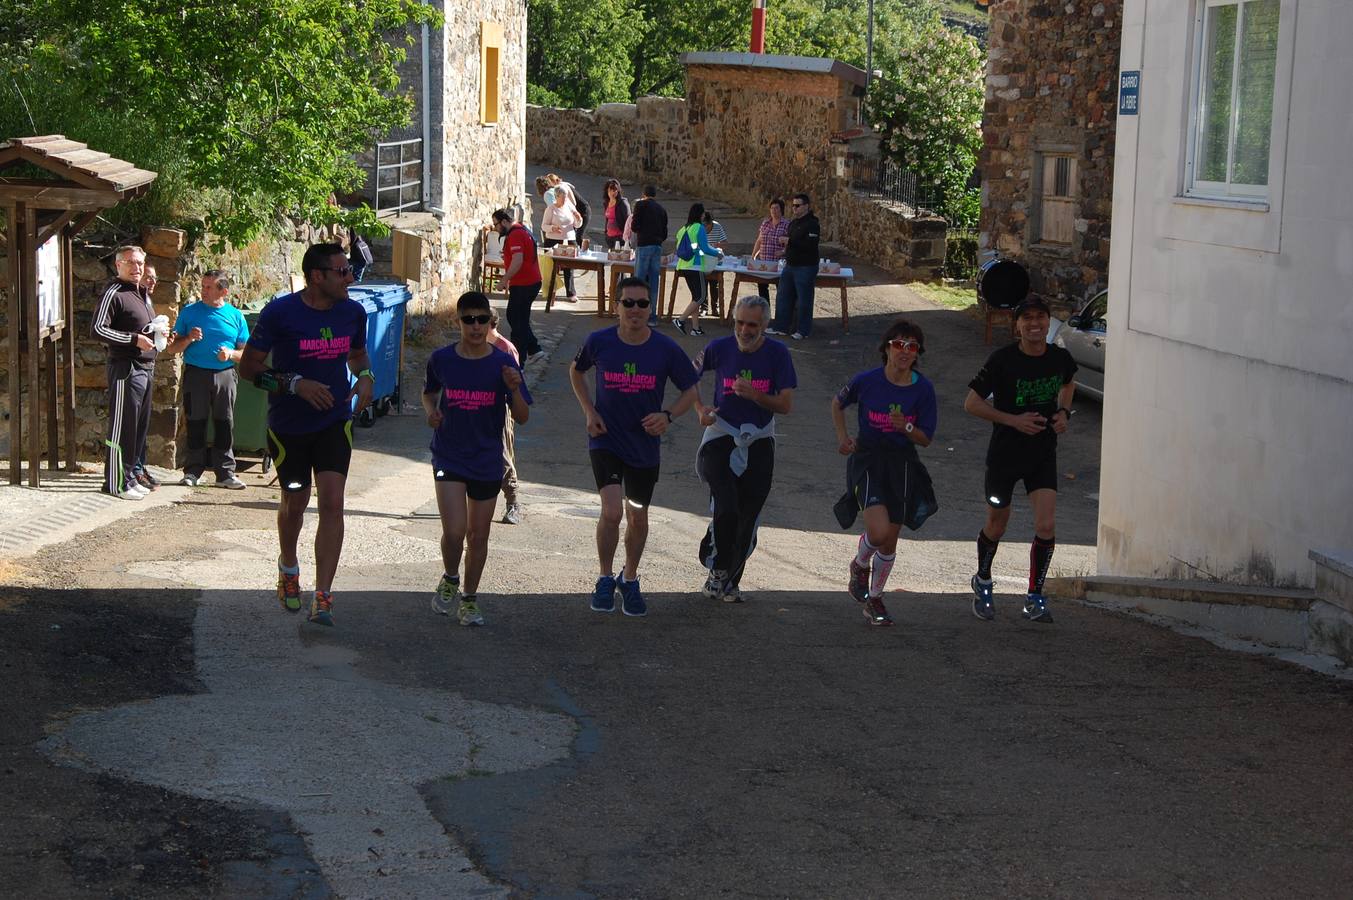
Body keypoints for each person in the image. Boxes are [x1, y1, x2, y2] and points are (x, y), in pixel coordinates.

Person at [238, 243, 375, 627]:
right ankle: (288, 566)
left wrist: (365, 376)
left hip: (334, 420)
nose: (351, 278)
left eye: (350, 270)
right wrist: (294, 383)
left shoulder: (353, 312)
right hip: (288, 426)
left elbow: (358, 355)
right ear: (318, 276)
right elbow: (248, 370)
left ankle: (324, 595)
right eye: (343, 271)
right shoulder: (280, 313)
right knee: (295, 502)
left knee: (332, 502)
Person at [569, 275, 700, 617]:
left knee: (637, 515)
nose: (636, 310)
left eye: (643, 303)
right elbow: (576, 371)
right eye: (628, 303)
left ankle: (629, 578)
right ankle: (603, 577)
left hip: (644, 446)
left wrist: (668, 416)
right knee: (612, 511)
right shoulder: (599, 341)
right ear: (617, 307)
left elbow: (691, 390)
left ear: (650, 308)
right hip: (605, 439)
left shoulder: (666, 349)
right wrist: (589, 411)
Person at [964, 295, 1077, 624]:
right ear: (1017, 326)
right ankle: (983, 580)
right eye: (1026, 318)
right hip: (1005, 454)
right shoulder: (1002, 360)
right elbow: (971, 403)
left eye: (1040, 317)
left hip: (1042, 452)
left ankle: (1035, 596)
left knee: (1046, 525)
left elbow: (1068, 384)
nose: (1034, 324)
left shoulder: (1060, 358)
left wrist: (1063, 413)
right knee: (997, 524)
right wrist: (1013, 420)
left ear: (1047, 322)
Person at [423, 291, 531, 627]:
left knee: (478, 535)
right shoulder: (442, 359)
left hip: (486, 458)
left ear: (490, 322)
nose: (475, 326)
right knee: (455, 532)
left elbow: (523, 416)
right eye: (468, 319)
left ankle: (469, 598)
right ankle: (451, 576)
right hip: (450, 454)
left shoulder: (503, 363)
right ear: (458, 321)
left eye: (481, 319)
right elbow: (429, 393)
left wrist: (513, 389)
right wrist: (432, 413)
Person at [831, 319, 939, 626]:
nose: (904, 352)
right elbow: (837, 404)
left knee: (890, 539)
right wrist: (843, 438)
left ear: (917, 353)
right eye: (898, 345)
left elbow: (926, 438)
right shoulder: (867, 380)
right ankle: (860, 563)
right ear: (886, 349)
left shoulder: (923, 389)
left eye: (912, 346)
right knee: (877, 533)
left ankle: (874, 599)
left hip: (902, 463)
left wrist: (905, 426)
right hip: (867, 459)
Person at [692, 295, 796, 602]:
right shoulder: (718, 348)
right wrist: (700, 410)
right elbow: (688, 376)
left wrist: (756, 396)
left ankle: (732, 579)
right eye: (739, 323)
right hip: (721, 433)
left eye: (752, 324)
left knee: (748, 514)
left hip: (760, 437)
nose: (744, 330)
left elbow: (786, 405)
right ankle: (718, 568)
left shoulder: (778, 354)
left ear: (764, 325)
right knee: (726, 504)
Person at [165, 270, 250, 489]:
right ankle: (193, 472)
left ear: (224, 291)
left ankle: (225, 474)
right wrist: (189, 338)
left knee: (224, 423)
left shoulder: (236, 316)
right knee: (195, 422)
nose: (203, 291)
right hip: (196, 373)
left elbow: (247, 353)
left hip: (225, 375)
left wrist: (230, 354)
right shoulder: (189, 313)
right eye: (203, 286)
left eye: (209, 287)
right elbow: (172, 348)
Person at [92, 245, 158, 500]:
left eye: (140, 263)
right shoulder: (114, 292)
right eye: (130, 262)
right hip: (126, 369)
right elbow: (98, 329)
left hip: (146, 367)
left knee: (138, 430)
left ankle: (129, 477)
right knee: (122, 428)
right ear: (118, 265)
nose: (137, 267)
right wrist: (134, 340)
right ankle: (115, 483)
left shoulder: (141, 293)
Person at [492, 208, 544, 363]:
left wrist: (504, 280)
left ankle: (527, 354)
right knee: (520, 319)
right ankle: (527, 354)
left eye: (496, 224)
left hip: (524, 283)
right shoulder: (521, 230)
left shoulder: (515, 234)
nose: (495, 228)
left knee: (515, 318)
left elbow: (518, 260)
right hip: (529, 282)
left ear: (504, 222)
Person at [487, 309, 524, 525]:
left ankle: (513, 502)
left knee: (502, 455)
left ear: (491, 324)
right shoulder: (473, 346)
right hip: (476, 407)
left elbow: (516, 383)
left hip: (501, 407)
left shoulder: (505, 349)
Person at [767, 193, 821, 341]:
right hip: (790, 265)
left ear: (806, 206)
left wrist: (789, 242)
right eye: (793, 205)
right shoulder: (794, 223)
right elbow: (793, 244)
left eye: (798, 205)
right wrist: (784, 251)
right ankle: (781, 327)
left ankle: (803, 330)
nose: (795, 208)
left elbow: (809, 245)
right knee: (783, 296)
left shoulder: (812, 224)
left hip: (805, 267)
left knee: (804, 300)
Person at [130, 264, 162, 491]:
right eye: (147, 277)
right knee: (131, 424)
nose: (150, 281)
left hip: (148, 365)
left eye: (154, 278)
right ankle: (132, 470)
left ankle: (139, 466)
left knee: (143, 424)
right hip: (131, 367)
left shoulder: (147, 302)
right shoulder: (128, 299)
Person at [672, 203, 722, 336]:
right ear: (700, 215)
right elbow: (705, 248)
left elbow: (691, 248)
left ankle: (696, 328)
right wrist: (718, 253)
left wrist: (700, 252)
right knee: (701, 296)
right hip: (695, 266)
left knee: (696, 297)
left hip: (683, 266)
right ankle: (680, 320)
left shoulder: (683, 229)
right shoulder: (699, 228)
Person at [625, 184, 668, 326]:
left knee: (639, 281)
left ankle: (634, 313)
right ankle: (652, 316)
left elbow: (635, 226)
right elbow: (664, 232)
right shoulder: (661, 209)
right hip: (657, 246)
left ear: (643, 194)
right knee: (654, 282)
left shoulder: (640, 205)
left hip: (644, 245)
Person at [540, 184, 582, 303]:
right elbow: (544, 226)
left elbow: (577, 225)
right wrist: (553, 228)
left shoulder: (569, 206)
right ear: (556, 197)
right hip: (553, 240)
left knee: (569, 266)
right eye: (562, 197)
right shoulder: (551, 209)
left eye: (565, 197)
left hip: (569, 239)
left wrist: (578, 218)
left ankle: (571, 293)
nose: (564, 199)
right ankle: (550, 291)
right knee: (551, 267)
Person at [750, 198, 789, 300]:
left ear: (781, 210)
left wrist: (783, 251)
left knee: (781, 290)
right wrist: (753, 255)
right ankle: (765, 312)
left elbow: (792, 243)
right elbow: (759, 240)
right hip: (764, 263)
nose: (774, 210)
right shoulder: (766, 223)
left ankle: (780, 313)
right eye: (772, 208)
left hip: (779, 264)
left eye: (776, 208)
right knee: (762, 288)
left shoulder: (787, 224)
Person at [602, 178, 631, 249]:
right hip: (609, 237)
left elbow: (628, 221)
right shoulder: (606, 203)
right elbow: (607, 219)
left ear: (618, 191)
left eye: (615, 190)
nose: (612, 192)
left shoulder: (623, 203)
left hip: (619, 238)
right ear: (607, 191)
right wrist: (606, 232)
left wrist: (626, 238)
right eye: (610, 190)